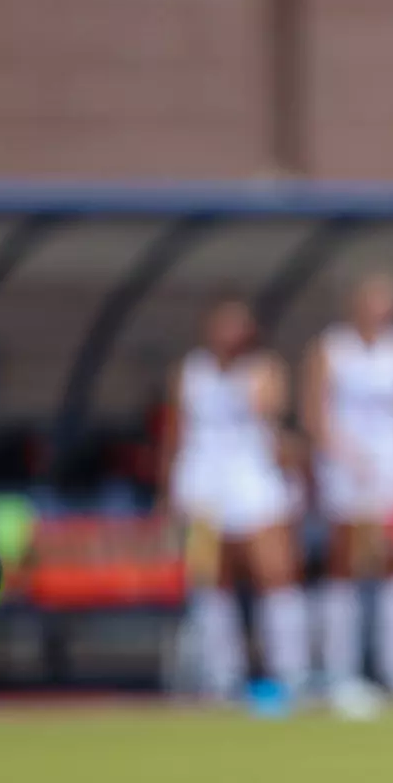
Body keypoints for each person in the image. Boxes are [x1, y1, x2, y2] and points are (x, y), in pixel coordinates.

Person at [162, 296, 307, 704]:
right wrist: (167, 493)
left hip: (252, 479)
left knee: (276, 575)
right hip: (202, 482)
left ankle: (289, 670)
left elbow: (274, 418)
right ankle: (221, 675)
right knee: (213, 581)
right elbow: (175, 434)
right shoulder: (190, 372)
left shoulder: (264, 368)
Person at [303, 274, 393, 713]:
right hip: (347, 467)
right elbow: (314, 411)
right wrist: (340, 454)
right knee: (344, 564)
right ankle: (341, 671)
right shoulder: (331, 347)